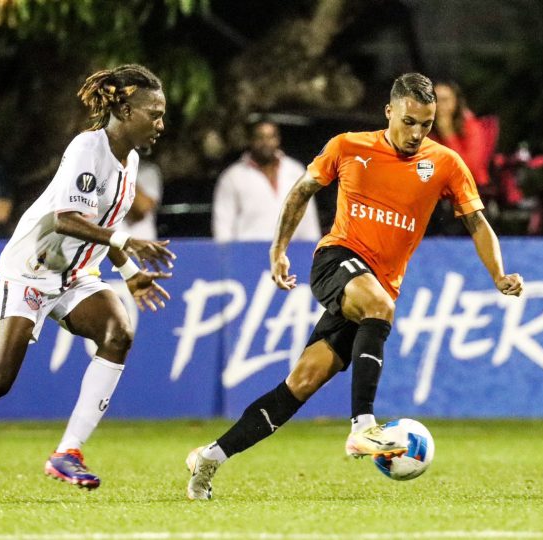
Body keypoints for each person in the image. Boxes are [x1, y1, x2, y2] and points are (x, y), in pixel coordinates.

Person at [185, 73, 524, 500]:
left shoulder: (445, 163)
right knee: (379, 306)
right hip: (335, 261)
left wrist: (498, 274)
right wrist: (279, 249)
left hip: (373, 289)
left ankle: (210, 458)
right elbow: (300, 191)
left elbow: (477, 222)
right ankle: (363, 426)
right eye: (409, 122)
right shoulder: (349, 146)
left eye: (426, 123)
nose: (417, 133)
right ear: (389, 112)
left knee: (301, 384)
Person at [0, 64, 176, 503]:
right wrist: (128, 242)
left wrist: (130, 273)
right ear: (123, 108)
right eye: (153, 113)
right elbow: (67, 218)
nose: (160, 123)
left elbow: (106, 223)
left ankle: (68, 452)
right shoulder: (87, 148)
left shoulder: (130, 160)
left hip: (75, 275)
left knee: (119, 331)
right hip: (30, 270)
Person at [212, 119, 321, 242]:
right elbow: (223, 226)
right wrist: (225, 257)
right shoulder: (233, 177)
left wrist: (313, 251)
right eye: (260, 137)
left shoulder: (296, 171)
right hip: (247, 255)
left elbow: (309, 220)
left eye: (271, 137)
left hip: (290, 254)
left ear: (278, 139)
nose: (266, 143)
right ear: (251, 140)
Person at [430, 81, 489, 187]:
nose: (439, 106)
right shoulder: (426, 128)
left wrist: (448, 134)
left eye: (445, 100)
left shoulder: (470, 126)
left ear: (456, 102)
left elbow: (471, 168)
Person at [119, 155, 163, 240]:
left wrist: (124, 170)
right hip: (105, 245)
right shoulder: (99, 170)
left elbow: (142, 208)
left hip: (140, 243)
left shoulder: (148, 171)